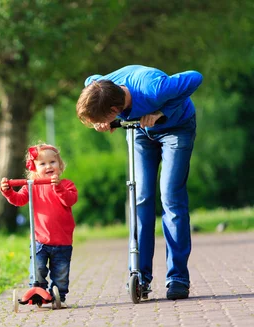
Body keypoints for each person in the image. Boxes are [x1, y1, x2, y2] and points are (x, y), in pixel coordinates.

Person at [76, 65, 203, 300]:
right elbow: (89, 78)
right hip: (140, 133)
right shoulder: (98, 85)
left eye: (105, 117)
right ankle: (140, 277)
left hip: (176, 129)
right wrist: (100, 122)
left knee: (170, 198)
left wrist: (162, 112)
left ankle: (177, 278)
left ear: (115, 109)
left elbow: (195, 77)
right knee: (141, 197)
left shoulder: (153, 89)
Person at [1, 144, 78, 308]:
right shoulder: (32, 185)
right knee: (38, 269)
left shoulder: (66, 184)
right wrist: (8, 191)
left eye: (52, 162)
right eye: (42, 164)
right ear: (34, 168)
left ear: (60, 165)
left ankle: (59, 297)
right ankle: (37, 292)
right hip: (39, 240)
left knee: (61, 274)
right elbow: (19, 200)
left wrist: (57, 187)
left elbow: (69, 200)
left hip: (62, 241)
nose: (49, 166)